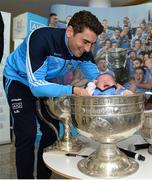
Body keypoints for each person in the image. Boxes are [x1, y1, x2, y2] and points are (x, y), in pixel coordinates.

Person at [3, 10, 103, 179]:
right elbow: (36, 87)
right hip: (18, 80)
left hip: (44, 83)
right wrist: (72, 90)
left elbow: (98, 78)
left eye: (92, 44)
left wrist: (113, 84)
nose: (88, 49)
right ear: (70, 31)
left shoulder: (85, 50)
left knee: (51, 132)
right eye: (85, 42)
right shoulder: (42, 38)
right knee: (26, 133)